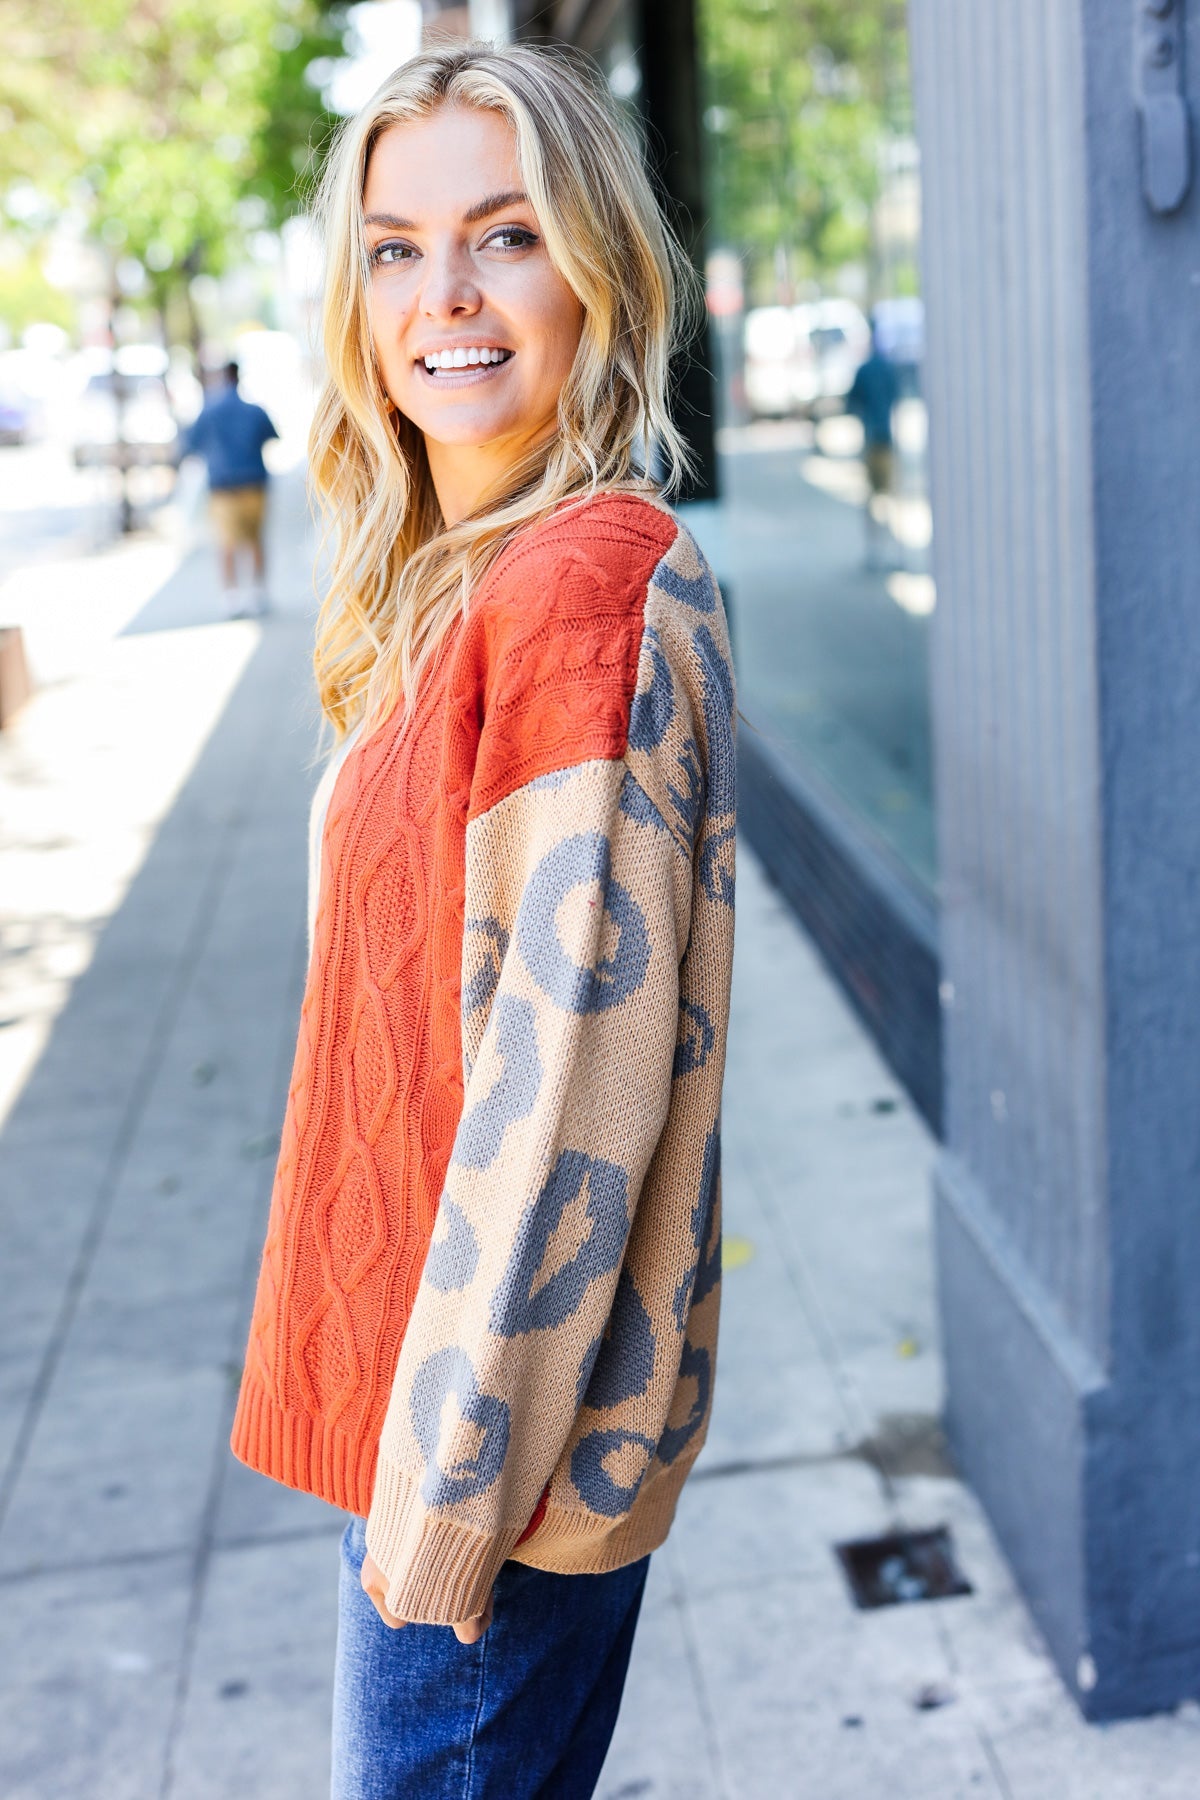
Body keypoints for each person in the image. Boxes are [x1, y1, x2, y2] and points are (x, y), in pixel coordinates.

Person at [229, 40, 736, 1800]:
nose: (442, 294)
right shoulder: (469, 586)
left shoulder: (577, 595)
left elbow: (568, 1111)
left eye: (504, 234)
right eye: (392, 246)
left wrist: (441, 1511)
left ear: (597, 265)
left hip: (479, 1471)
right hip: (433, 1425)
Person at [184, 360, 278, 617]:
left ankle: (231, 596)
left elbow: (190, 444)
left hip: (223, 488)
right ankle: (258, 593)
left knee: (227, 544)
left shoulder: (209, 411)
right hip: (254, 483)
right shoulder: (254, 410)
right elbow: (272, 436)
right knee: (255, 540)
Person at [845, 318, 900, 570]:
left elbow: (851, 403)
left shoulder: (865, 370)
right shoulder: (887, 368)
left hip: (871, 440)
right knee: (888, 497)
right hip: (886, 438)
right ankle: (891, 552)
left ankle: (875, 552)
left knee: (872, 498)